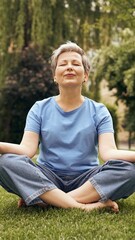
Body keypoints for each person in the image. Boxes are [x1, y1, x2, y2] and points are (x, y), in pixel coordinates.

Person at [0, 41, 135, 213]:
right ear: (55, 76)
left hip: (87, 180)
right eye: (63, 64)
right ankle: (82, 206)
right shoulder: (39, 108)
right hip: (47, 177)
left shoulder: (99, 111)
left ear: (85, 75)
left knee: (130, 170)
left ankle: (46, 199)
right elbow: (27, 150)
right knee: (5, 162)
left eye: (76, 64)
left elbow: (109, 153)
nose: (69, 67)